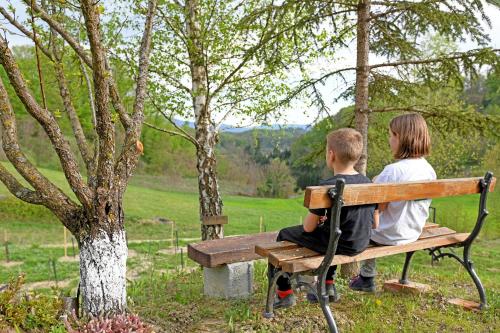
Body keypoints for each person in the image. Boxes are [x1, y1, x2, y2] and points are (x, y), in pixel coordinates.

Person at [272, 128, 378, 309]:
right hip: (360, 242)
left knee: (284, 233)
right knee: (332, 236)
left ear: (331, 155)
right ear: (358, 156)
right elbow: (375, 223)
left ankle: (284, 293)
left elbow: (308, 228)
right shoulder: (368, 183)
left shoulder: (327, 186)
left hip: (337, 244)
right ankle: (328, 285)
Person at [349, 113, 436, 292]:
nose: (389, 140)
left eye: (391, 135)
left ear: (400, 138)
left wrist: (375, 182)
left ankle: (365, 277)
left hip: (387, 234)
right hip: (411, 231)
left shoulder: (392, 171)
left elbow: (377, 208)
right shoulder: (428, 169)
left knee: (364, 220)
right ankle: (366, 277)